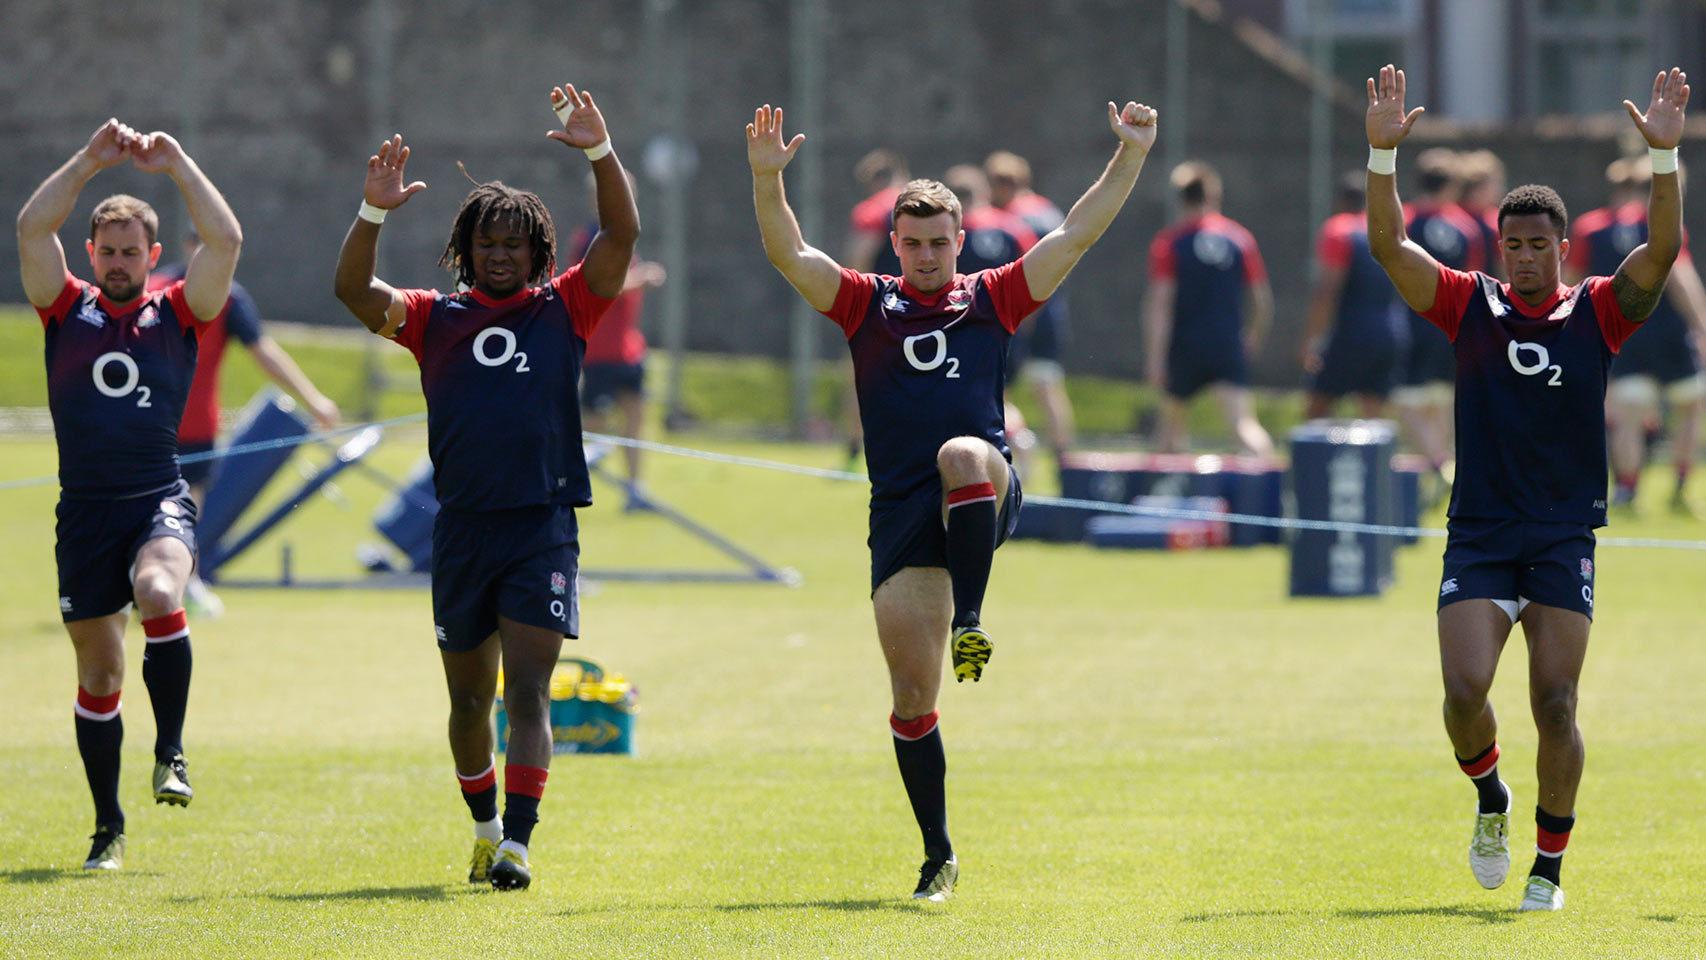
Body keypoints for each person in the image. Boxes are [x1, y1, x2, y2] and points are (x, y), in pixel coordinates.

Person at [747, 98, 1158, 901]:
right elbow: (791, 253)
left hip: (981, 487)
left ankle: (973, 618)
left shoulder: (994, 296)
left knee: (963, 451)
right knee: (911, 698)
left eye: (940, 243)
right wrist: (768, 179)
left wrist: (1131, 156)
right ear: (894, 243)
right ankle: (938, 854)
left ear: (960, 241)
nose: (928, 255)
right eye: (913, 243)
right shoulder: (867, 303)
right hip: (900, 512)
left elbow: (1077, 232)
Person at [1365, 64, 1689, 912]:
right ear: (1498, 248)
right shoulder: (1469, 304)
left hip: (1560, 533)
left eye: (1540, 244)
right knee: (1465, 693)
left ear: (1563, 248)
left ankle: (1548, 866)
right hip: (1478, 530)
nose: (1526, 255)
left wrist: (1664, 161)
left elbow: (1660, 254)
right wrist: (1380, 156)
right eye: (1513, 243)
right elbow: (1389, 249)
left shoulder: (1600, 312)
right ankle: (1490, 800)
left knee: (1555, 699)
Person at [332, 82, 637, 892]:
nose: (502, 254)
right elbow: (355, 295)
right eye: (488, 243)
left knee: (527, 693)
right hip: (462, 530)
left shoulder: (566, 309)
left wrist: (601, 152)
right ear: (466, 251)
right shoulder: (436, 318)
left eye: (516, 243)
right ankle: (485, 829)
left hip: (541, 526)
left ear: (539, 252)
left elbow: (621, 233)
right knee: (470, 704)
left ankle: (520, 847)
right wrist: (372, 213)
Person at [16, 119, 242, 870]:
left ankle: (171, 751)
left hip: (157, 499)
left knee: (156, 588)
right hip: (83, 513)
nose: (118, 263)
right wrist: (88, 159)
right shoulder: (63, 306)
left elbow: (227, 241)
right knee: (100, 674)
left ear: (152, 256)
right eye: (106, 251)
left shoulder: (178, 311)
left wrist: (176, 165)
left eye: (131, 252)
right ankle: (107, 828)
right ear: (92, 255)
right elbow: (30, 224)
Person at [149, 232, 342, 616]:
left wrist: (313, 399)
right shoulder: (153, 289)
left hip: (196, 428)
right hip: (148, 425)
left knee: (188, 513)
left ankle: (186, 582)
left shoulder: (230, 298)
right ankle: (134, 586)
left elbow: (263, 351)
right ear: (187, 246)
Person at [1566, 156, 1706, 514]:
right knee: (1689, 408)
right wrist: (1701, 326)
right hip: (1669, 333)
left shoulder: (1589, 227)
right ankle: (1680, 482)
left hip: (1621, 332)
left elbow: (1573, 282)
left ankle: (1628, 489)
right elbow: (1681, 279)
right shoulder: (1659, 225)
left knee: (1627, 414)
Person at [1144, 160, 1274, 456]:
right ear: (1214, 196)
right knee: (1243, 425)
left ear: (1180, 198)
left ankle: (1163, 499)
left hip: (1185, 345)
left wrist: (1155, 358)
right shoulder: (1240, 239)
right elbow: (1260, 298)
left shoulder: (1170, 243)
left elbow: (1160, 304)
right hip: (1227, 342)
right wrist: (1251, 337)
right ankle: (1271, 493)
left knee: (1169, 432)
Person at [567, 170, 666, 508]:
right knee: (591, 428)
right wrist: (641, 279)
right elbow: (597, 284)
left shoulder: (623, 235)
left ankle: (635, 491)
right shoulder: (590, 238)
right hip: (599, 348)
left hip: (627, 348)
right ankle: (568, 488)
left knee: (635, 416)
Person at [1394, 148, 1483, 486]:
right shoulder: (1465, 227)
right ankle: (1442, 467)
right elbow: (1472, 278)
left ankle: (1435, 464)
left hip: (1411, 320)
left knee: (1407, 402)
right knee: (1442, 400)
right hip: (1451, 324)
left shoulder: (1405, 222)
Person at [987, 150, 1079, 455]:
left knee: (999, 391)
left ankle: (1010, 446)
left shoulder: (1009, 219)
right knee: (1048, 386)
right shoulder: (1050, 212)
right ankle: (1064, 455)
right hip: (1051, 310)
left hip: (1023, 313)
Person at [1301, 171, 1406, 418]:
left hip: (1350, 333)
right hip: (1390, 331)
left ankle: (1321, 458)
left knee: (1317, 411)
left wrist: (1311, 340)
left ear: (1341, 202)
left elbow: (1327, 291)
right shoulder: (1384, 231)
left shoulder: (1338, 230)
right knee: (1373, 416)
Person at [838, 149, 911, 467]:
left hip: (881, 305)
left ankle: (855, 445)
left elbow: (859, 257)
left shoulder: (874, 208)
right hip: (923, 302)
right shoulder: (919, 204)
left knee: (858, 375)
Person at [1459, 149, 1507, 280]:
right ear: (1477, 189)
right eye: (1495, 183)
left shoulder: (1496, 218)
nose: (1500, 189)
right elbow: (1504, 270)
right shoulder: (1495, 223)